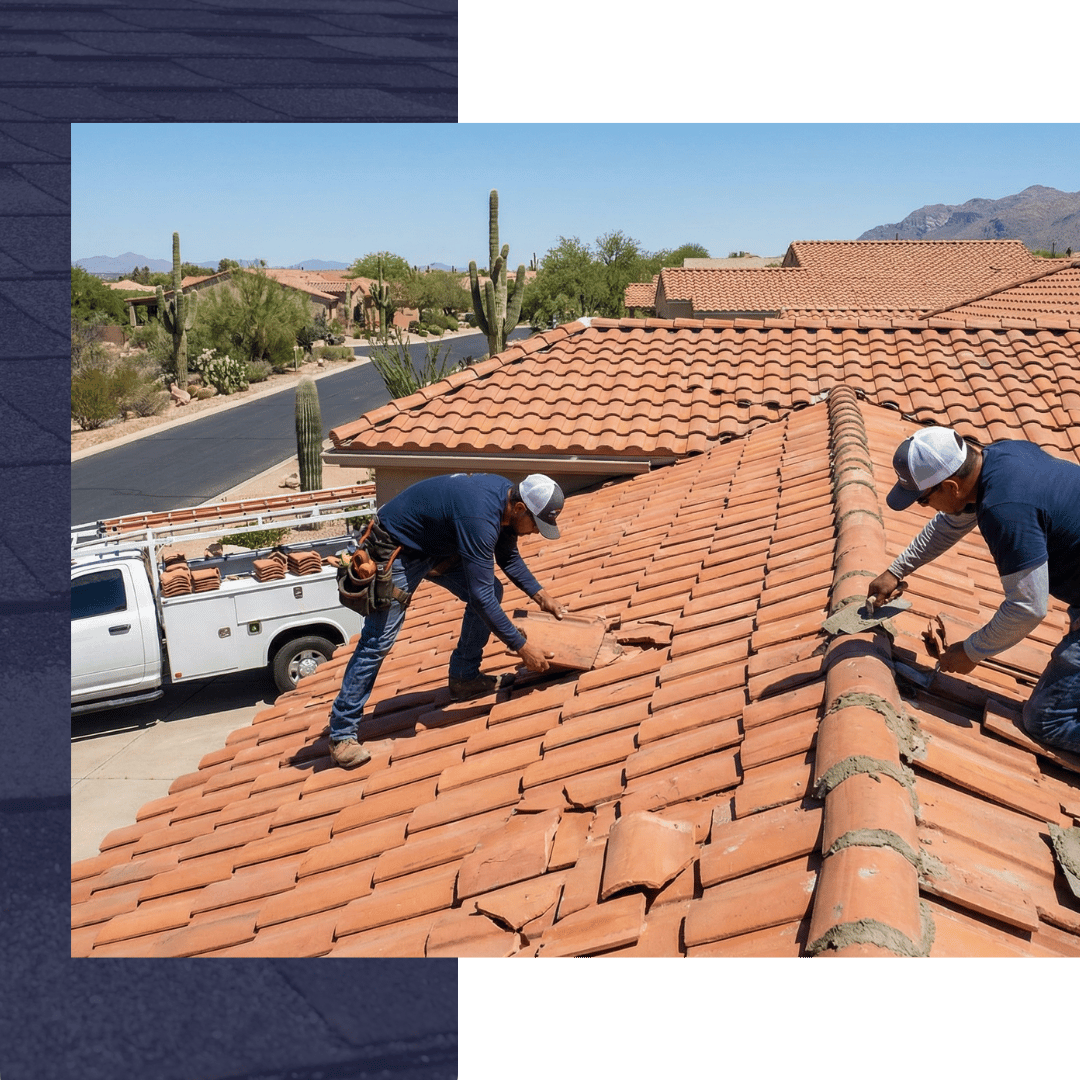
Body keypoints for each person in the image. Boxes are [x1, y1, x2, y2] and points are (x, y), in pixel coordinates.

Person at [328, 472, 568, 768]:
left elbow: (508, 556)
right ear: (519, 509)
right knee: (378, 640)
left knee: (493, 588)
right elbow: (481, 598)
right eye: (535, 524)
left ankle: (464, 679)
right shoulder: (480, 517)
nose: (534, 532)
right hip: (396, 549)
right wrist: (522, 647)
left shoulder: (506, 502)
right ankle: (342, 734)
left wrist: (543, 596)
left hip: (435, 550)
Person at [867, 425, 1080, 754]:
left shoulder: (1004, 509)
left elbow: (1028, 607)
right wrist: (896, 571)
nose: (925, 507)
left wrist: (972, 650)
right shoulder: (998, 457)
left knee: (1047, 720)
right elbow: (951, 522)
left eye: (924, 499)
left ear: (951, 485)